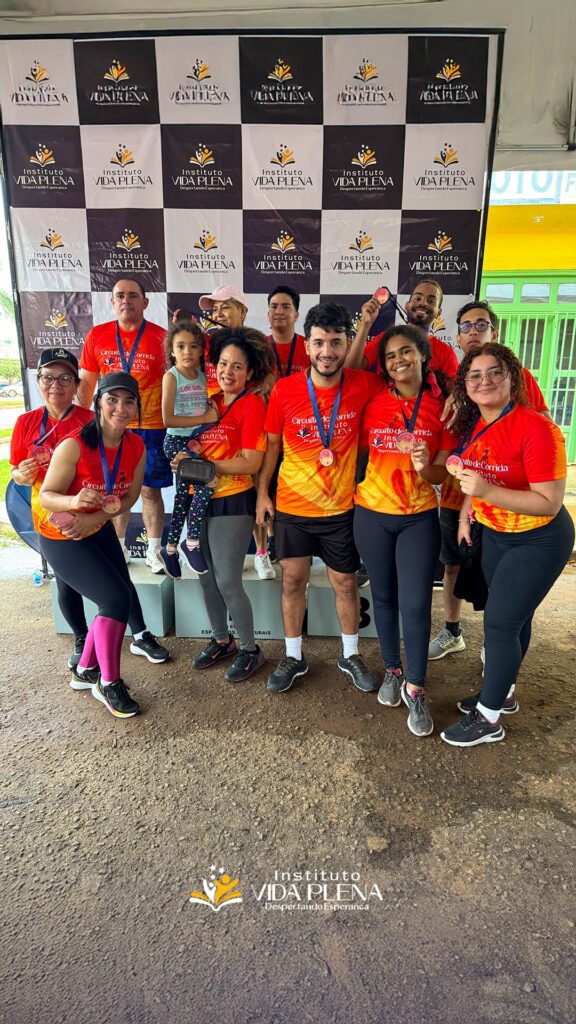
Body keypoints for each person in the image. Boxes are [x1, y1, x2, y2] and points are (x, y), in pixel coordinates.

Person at [439, 344, 574, 747]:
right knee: (516, 619)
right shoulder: (476, 424)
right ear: (465, 385)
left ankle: (488, 718)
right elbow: (474, 473)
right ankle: (503, 693)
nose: (485, 381)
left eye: (495, 372)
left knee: (500, 624)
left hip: (538, 539)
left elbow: (549, 503)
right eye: (475, 375)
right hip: (496, 533)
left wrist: (486, 492)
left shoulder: (537, 428)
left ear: (512, 378)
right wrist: (467, 511)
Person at [9, 349, 168, 671]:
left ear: (76, 385)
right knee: (73, 585)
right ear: (38, 381)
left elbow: (124, 489)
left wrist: (93, 516)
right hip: (53, 523)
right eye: (48, 377)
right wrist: (21, 476)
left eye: (65, 378)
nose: (56, 385)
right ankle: (83, 644)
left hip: (94, 518)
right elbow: (19, 474)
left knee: (118, 585)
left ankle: (137, 634)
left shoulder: (94, 422)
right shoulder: (28, 423)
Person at [257, 302, 382, 695]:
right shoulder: (285, 389)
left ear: (346, 344)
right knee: (293, 581)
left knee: (345, 582)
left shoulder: (366, 385)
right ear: (307, 345)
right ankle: (293, 656)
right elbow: (272, 447)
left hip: (341, 508)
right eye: (319, 342)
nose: (327, 351)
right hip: (293, 506)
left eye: (335, 342)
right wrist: (262, 493)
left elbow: (404, 398)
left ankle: (350, 654)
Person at [428, 301, 550, 662]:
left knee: (502, 574)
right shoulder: (453, 383)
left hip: (507, 499)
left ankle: (495, 640)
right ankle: (452, 631)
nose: (473, 331)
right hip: (459, 495)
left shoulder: (517, 377)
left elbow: (543, 422)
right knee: (453, 564)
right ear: (457, 337)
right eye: (465, 326)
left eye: (481, 324)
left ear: (494, 333)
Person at [354, 325, 455, 738]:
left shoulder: (441, 407)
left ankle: (416, 687)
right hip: (371, 514)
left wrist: (424, 465)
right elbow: (359, 452)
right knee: (383, 597)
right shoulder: (372, 402)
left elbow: (442, 474)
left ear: (422, 355)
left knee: (415, 604)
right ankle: (392, 670)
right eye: (391, 355)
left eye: (406, 351)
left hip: (417, 516)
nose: (398, 360)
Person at [38, 373, 154, 719]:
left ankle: (86, 668)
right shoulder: (74, 445)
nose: (121, 408)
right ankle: (108, 682)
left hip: (96, 526)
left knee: (122, 594)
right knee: (114, 599)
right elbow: (46, 496)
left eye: (128, 401)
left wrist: (97, 518)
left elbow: (130, 496)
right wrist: (74, 502)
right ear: (99, 402)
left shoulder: (136, 446)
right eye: (112, 399)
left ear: (136, 407)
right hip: (63, 536)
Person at [174, 328, 274, 683]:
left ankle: (250, 649)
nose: (228, 371)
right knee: (205, 578)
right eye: (223, 364)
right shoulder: (206, 401)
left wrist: (202, 466)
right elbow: (184, 439)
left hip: (233, 500)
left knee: (228, 581)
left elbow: (250, 462)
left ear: (249, 373)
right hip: (196, 499)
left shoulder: (253, 405)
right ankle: (221, 640)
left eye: (237, 366)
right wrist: (182, 458)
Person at [78, 277, 171, 574]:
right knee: (113, 490)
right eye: (120, 295)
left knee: (150, 491)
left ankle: (154, 551)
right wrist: (79, 422)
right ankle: (118, 549)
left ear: (145, 302)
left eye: (133, 295)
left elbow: (175, 380)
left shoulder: (162, 337)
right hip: (111, 427)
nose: (126, 300)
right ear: (112, 301)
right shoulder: (97, 335)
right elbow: (86, 384)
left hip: (152, 426)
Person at [198, 285, 276, 581]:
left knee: (253, 485)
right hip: (211, 422)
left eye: (225, 306)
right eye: (215, 309)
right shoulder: (206, 343)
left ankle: (261, 552)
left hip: (245, 422)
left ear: (242, 310)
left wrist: (262, 387)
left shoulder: (256, 344)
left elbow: (269, 379)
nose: (218, 313)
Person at [158, 319, 220, 578]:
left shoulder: (203, 377)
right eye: (180, 346)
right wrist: (203, 418)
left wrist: (210, 415)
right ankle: (191, 543)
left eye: (193, 346)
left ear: (201, 350)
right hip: (176, 442)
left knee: (184, 497)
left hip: (196, 441)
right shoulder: (171, 376)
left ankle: (170, 549)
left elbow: (208, 410)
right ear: (172, 351)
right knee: (207, 484)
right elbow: (168, 420)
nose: (187, 352)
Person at [265, 284, 310, 564]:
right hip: (267, 434)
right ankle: (271, 540)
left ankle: (300, 543)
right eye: (274, 307)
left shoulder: (309, 347)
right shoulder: (258, 348)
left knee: (296, 491)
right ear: (267, 313)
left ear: (296, 314)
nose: (279, 312)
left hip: (302, 436)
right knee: (268, 489)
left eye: (286, 307)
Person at [345, 279, 459, 380]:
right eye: (417, 298)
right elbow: (350, 370)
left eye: (431, 301)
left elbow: (453, 393)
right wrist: (365, 324)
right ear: (407, 305)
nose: (423, 303)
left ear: (439, 312)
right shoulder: (386, 339)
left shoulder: (446, 354)